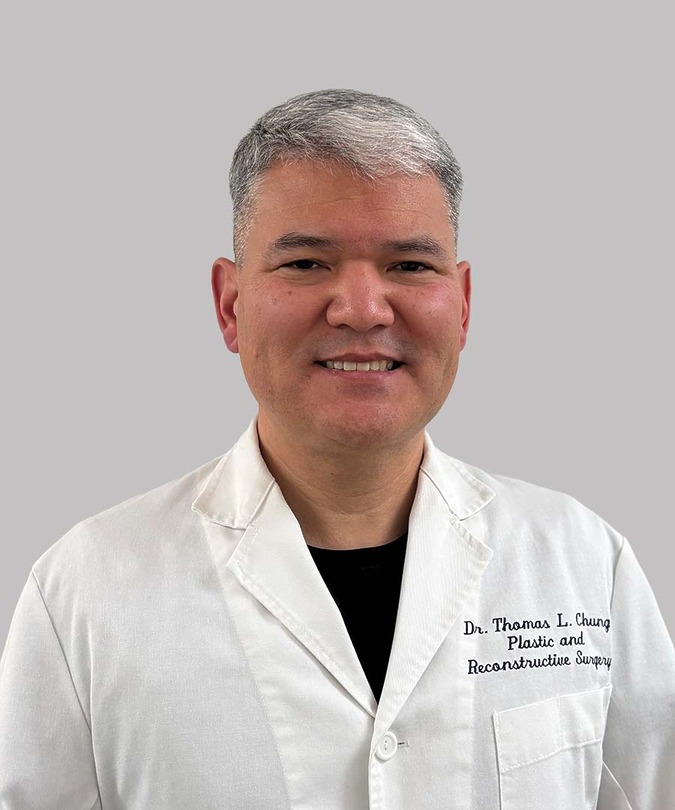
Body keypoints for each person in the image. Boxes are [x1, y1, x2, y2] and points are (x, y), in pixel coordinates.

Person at [0, 89, 673, 810]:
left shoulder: (579, 563)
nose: (361, 309)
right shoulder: (89, 590)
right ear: (230, 305)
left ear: (464, 302)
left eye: (410, 266)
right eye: (306, 264)